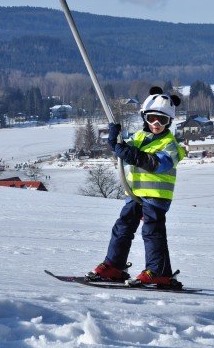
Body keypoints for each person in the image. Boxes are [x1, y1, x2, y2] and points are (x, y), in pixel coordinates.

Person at [87, 86, 186, 287]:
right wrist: (114, 141)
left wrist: (129, 154)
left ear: (170, 122)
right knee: (122, 227)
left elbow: (156, 164)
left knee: (152, 231)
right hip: (133, 194)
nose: (156, 124)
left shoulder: (170, 144)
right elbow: (124, 151)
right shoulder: (139, 137)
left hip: (155, 196)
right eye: (151, 118)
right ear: (144, 118)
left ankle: (157, 271)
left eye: (162, 120)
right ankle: (114, 265)